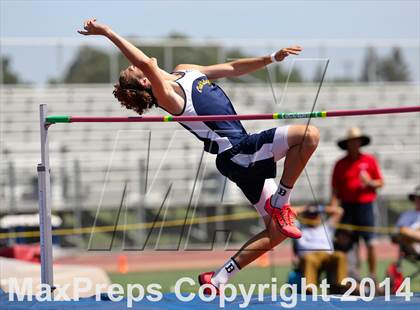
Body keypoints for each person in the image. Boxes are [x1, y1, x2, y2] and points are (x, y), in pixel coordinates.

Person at [78, 18, 320, 293]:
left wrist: (271, 58)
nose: (135, 64)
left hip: (237, 158)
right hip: (238, 150)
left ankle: (218, 279)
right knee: (309, 135)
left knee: (276, 232)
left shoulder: (185, 71)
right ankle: (282, 201)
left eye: (131, 65)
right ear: (146, 81)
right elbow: (145, 63)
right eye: (133, 69)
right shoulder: (169, 96)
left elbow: (231, 68)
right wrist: (108, 33)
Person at [330, 127, 384, 281]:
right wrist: (334, 209)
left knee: (370, 242)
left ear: (361, 142)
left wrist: (370, 182)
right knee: (349, 244)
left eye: (357, 141)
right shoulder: (340, 164)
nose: (354, 144)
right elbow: (334, 190)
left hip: (365, 207)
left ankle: (373, 276)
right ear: (347, 144)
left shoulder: (369, 160)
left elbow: (380, 183)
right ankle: (354, 277)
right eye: (351, 141)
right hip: (346, 207)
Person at [293, 204, 347, 293]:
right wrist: (306, 208)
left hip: (327, 256)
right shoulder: (299, 227)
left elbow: (339, 211)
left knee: (340, 256)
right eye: (310, 215)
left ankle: (341, 285)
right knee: (309, 259)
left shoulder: (327, 226)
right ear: (306, 216)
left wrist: (321, 208)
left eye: (316, 215)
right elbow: (286, 213)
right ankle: (309, 289)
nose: (314, 217)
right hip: (310, 256)